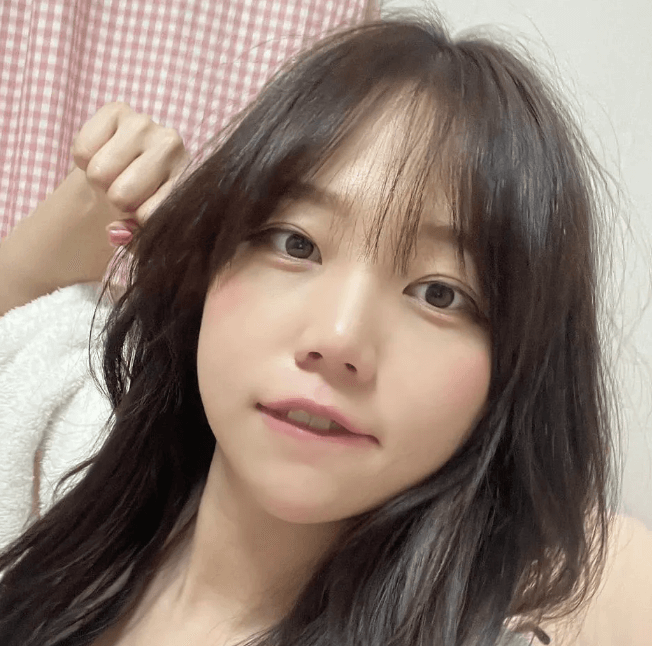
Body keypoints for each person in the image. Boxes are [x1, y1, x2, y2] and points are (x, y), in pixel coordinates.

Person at [0, 18, 615, 646]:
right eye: (297, 243)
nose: (339, 339)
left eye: (440, 293)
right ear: (209, 265)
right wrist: (106, 189)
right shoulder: (78, 460)